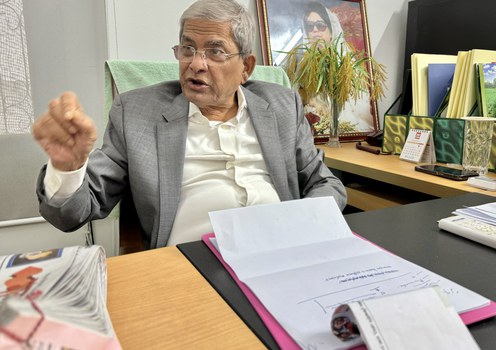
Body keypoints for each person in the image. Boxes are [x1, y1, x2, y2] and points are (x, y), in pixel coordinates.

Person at [32, 0, 347, 249]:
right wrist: (68, 169)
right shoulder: (137, 113)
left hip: (281, 253)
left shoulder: (282, 105)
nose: (196, 63)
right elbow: (73, 214)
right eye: (187, 49)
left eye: (215, 51)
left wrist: (300, 231)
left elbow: (326, 185)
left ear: (246, 67)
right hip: (191, 263)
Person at [302, 1, 374, 134]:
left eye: (320, 25)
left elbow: (358, 107)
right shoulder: (302, 67)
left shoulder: (347, 64)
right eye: (310, 26)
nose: (315, 31)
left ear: (331, 31)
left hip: (345, 129)